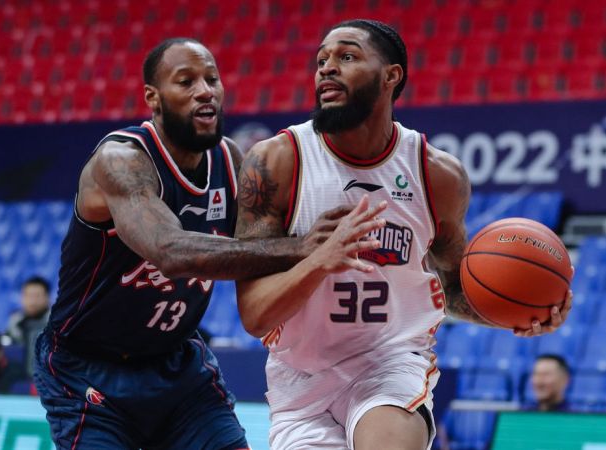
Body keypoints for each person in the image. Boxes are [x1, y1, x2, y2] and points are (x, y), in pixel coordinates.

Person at [235, 19, 572, 450]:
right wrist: (319, 260)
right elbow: (255, 316)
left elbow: (453, 288)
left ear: (391, 75)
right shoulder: (276, 162)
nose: (327, 68)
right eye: (321, 60)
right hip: (301, 379)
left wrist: (519, 312)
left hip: (391, 362)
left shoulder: (436, 174)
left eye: (347, 56)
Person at [33, 37, 382, 450]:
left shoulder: (231, 160)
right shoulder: (121, 160)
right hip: (88, 369)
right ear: (153, 98)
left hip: (178, 366)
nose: (205, 91)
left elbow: (268, 252)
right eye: (186, 82)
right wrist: (303, 247)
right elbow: (171, 252)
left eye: (212, 79)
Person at [6, 275, 51, 377]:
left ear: (47, 298)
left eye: (37, 296)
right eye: (28, 296)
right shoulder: (15, 322)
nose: (32, 301)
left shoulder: (56, 323)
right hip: (20, 378)